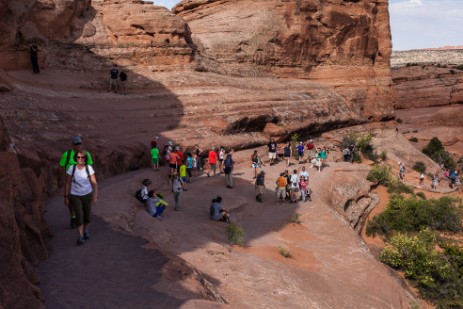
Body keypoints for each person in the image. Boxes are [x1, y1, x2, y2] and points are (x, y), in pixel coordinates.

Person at [64, 150, 98, 245]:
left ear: (85, 158)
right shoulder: (72, 168)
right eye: (78, 157)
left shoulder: (88, 168)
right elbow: (67, 183)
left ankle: (85, 231)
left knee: (87, 216)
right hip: (75, 195)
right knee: (79, 214)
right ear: (75, 158)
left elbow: (94, 183)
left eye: (82, 157)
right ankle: (80, 235)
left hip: (87, 194)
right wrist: (66, 196)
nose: (80, 159)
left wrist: (95, 196)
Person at [59, 136, 93, 228]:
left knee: (82, 201)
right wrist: (61, 179)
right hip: (71, 182)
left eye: (79, 143)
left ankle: (79, 217)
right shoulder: (67, 154)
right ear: (73, 145)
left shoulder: (86, 154)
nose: (78, 145)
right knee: (70, 201)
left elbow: (89, 167)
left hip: (83, 182)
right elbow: (61, 166)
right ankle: (73, 217)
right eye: (76, 144)